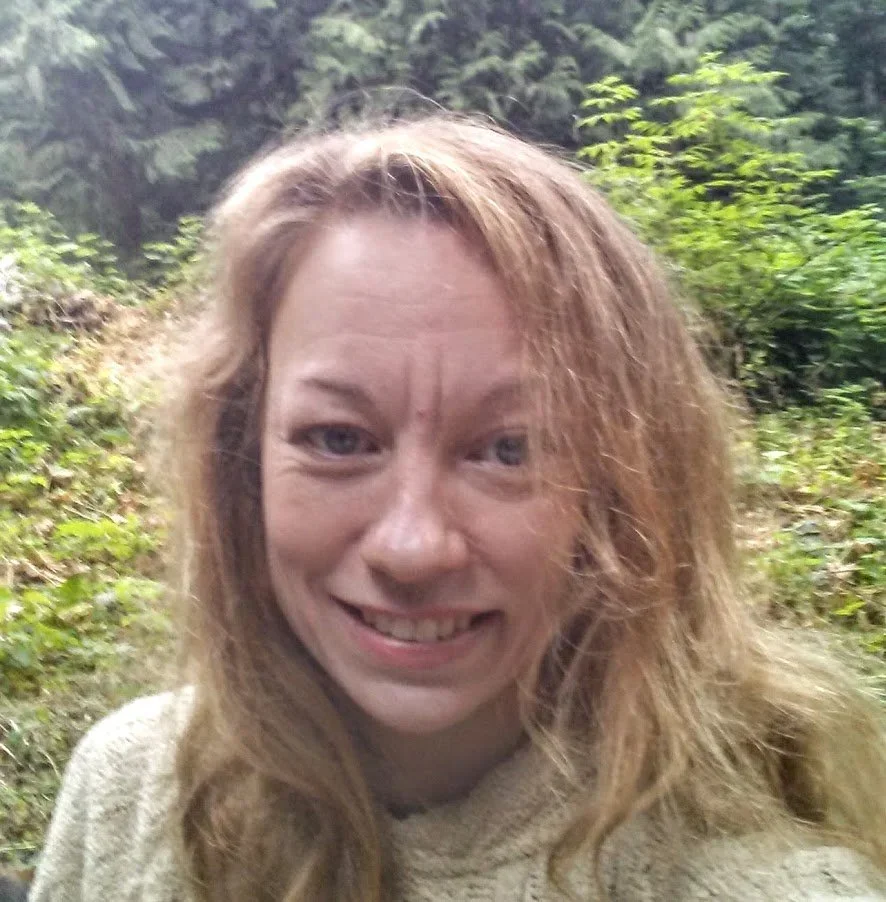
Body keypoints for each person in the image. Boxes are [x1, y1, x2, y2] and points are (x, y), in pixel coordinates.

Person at [29, 117, 886, 902]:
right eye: (338, 438)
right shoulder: (129, 792)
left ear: (628, 491)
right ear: (241, 459)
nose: (411, 547)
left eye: (509, 450)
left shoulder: (766, 881)